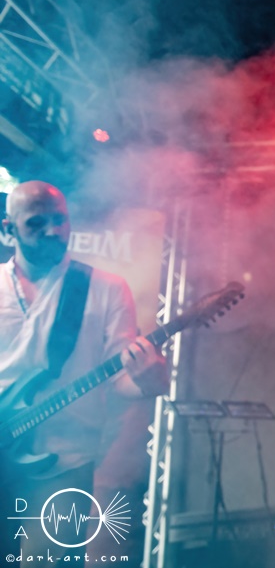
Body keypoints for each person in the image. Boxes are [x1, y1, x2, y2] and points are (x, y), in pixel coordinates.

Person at [0, 181, 166, 558]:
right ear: (9, 229)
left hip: (67, 460)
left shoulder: (105, 288)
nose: (53, 231)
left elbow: (120, 378)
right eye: (36, 223)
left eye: (60, 220)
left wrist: (147, 380)